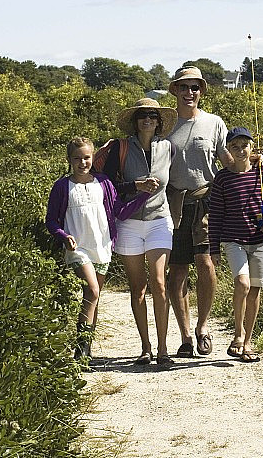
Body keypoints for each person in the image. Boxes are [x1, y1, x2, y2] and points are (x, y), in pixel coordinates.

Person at [45, 136, 150, 362]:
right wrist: (63, 236)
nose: (83, 163)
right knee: (92, 291)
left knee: (92, 298)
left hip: (102, 247)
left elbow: (119, 211)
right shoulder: (62, 186)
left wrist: (144, 196)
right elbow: (51, 220)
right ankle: (81, 350)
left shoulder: (103, 183)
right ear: (69, 160)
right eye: (77, 159)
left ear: (93, 157)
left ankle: (86, 350)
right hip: (78, 249)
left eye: (87, 157)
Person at [93, 98, 178, 369]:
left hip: (159, 220)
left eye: (153, 116)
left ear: (159, 121)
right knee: (138, 287)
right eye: (143, 116)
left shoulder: (169, 148)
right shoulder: (120, 147)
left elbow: (175, 183)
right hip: (128, 222)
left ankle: (163, 349)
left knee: (159, 282)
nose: (148, 120)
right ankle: (145, 347)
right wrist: (135, 185)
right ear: (135, 121)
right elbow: (106, 185)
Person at [166, 66, 232, 358]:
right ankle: (184, 337)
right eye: (184, 87)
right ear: (176, 91)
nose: (189, 93)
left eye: (195, 87)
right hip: (172, 204)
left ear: (201, 91)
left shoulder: (214, 122)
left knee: (206, 263)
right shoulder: (165, 124)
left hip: (206, 200)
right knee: (177, 270)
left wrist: (250, 159)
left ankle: (203, 328)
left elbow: (226, 159)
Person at [208, 127, 263, 363]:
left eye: (245, 146)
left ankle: (247, 343)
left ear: (252, 147)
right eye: (235, 146)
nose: (241, 150)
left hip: (258, 240)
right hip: (233, 240)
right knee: (242, 283)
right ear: (228, 150)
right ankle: (238, 333)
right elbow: (215, 216)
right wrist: (214, 249)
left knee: (255, 288)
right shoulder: (222, 178)